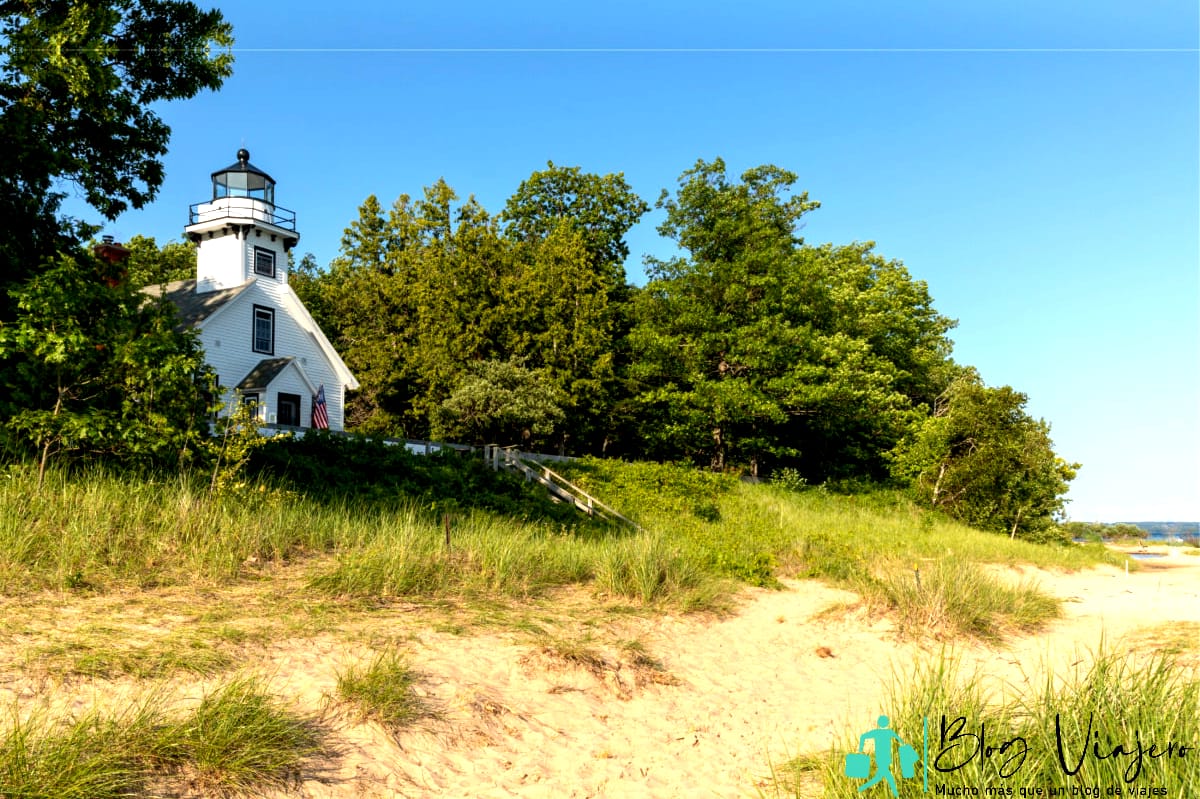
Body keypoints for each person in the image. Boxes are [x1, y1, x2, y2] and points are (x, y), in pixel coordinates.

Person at [858, 715, 906, 796]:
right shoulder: (889, 732)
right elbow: (901, 741)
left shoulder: (876, 732)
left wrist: (860, 749)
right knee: (886, 777)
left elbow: (863, 736)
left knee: (880, 777)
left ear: (879, 723)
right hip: (886, 759)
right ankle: (896, 795)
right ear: (887, 723)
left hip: (879, 759)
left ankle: (862, 788)